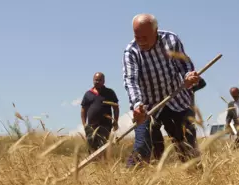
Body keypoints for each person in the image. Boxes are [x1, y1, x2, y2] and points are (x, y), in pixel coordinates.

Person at [122, 13, 200, 167]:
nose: (141, 41)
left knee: (188, 150)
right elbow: (131, 81)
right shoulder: (131, 52)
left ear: (155, 31)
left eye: (145, 37)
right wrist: (137, 104)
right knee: (142, 149)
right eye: (137, 36)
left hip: (177, 101)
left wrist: (189, 75)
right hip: (147, 108)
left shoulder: (171, 40)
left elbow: (184, 64)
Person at [80, 72, 119, 154]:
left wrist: (115, 121)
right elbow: (83, 110)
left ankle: (102, 165)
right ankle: (93, 165)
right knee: (91, 147)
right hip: (91, 126)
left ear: (104, 81)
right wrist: (84, 124)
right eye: (95, 80)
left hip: (105, 126)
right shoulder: (88, 94)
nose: (97, 82)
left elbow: (116, 108)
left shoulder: (109, 92)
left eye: (99, 80)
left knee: (103, 147)